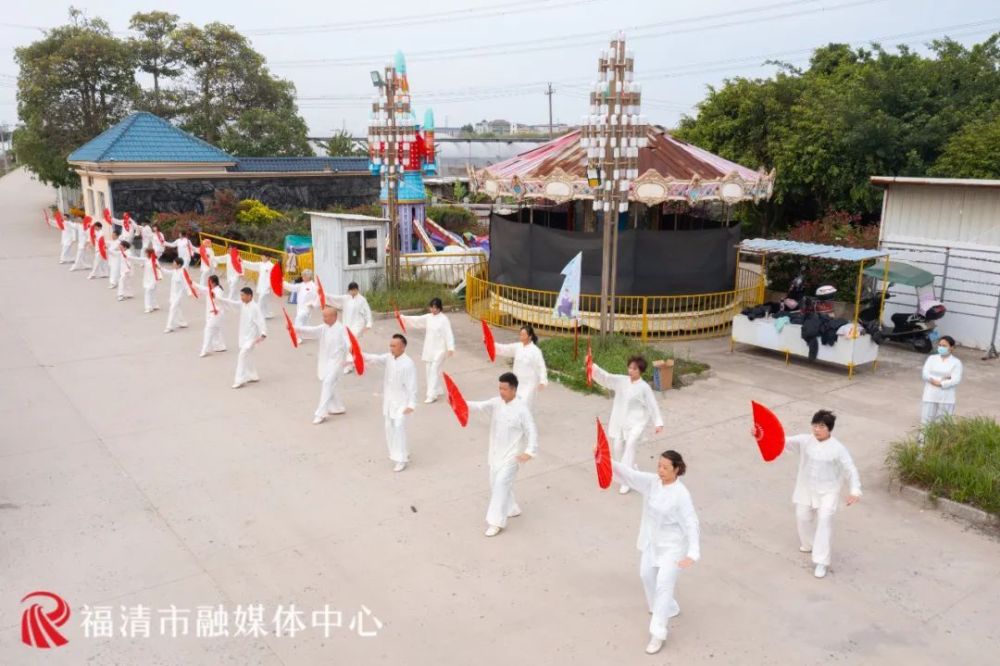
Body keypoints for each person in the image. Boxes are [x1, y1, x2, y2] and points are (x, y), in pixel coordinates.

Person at [610, 450, 699, 655]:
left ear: (676, 470)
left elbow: (691, 523)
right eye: (659, 465)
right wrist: (605, 460)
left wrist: (692, 553)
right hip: (652, 542)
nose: (660, 470)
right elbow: (629, 475)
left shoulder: (681, 495)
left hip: (673, 547)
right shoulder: (652, 482)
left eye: (665, 468)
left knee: (663, 586)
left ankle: (658, 633)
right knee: (646, 575)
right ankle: (669, 607)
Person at [782, 410, 862, 580]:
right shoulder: (805, 440)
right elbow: (782, 440)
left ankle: (821, 562)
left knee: (824, 520)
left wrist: (855, 490)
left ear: (829, 429)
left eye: (821, 426)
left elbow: (850, 469)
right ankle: (809, 543)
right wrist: (760, 435)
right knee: (802, 516)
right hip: (806, 488)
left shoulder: (838, 449)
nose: (817, 429)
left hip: (828, 491)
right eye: (815, 425)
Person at [467, 372, 538, 537]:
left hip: (512, 457)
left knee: (500, 484)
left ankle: (495, 522)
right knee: (495, 483)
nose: (501, 392)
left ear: (513, 389)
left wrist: (529, 452)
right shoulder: (497, 402)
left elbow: (532, 430)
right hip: (495, 454)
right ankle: (511, 508)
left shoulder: (522, 410)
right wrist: (459, 402)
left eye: (504, 389)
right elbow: (479, 406)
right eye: (499, 388)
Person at [591, 356, 664, 495]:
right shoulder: (622, 381)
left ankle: (626, 481)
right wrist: (592, 366)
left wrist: (658, 422)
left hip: (637, 422)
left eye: (634, 368)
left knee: (630, 445)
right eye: (629, 367)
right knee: (617, 448)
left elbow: (652, 405)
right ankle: (630, 469)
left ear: (640, 370)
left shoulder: (644, 387)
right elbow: (607, 378)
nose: (631, 370)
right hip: (621, 421)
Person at [362, 334, 418, 472]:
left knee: (398, 428)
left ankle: (401, 459)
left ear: (403, 347)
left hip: (402, 403)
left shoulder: (408, 364)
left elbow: (412, 386)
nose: (391, 348)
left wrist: (411, 404)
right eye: (390, 345)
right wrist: (358, 352)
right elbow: (374, 358)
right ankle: (400, 452)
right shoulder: (389, 358)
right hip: (389, 402)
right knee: (389, 428)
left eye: (394, 346)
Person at [295, 306, 351, 424]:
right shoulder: (324, 327)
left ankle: (321, 413)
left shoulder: (342, 329)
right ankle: (338, 407)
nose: (323, 318)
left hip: (337, 361)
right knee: (329, 382)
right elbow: (311, 330)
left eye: (326, 316)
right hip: (326, 361)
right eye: (323, 316)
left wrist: (350, 356)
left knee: (327, 383)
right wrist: (293, 328)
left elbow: (349, 344)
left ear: (334, 317)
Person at [400, 297, 455, 403]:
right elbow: (417, 320)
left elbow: (449, 333)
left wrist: (450, 347)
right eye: (431, 307)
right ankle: (438, 389)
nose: (433, 310)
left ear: (439, 308)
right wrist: (402, 317)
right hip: (430, 348)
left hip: (440, 349)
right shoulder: (428, 317)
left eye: (435, 308)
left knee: (434, 369)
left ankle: (431, 395)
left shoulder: (444, 319)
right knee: (429, 369)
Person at [220, 287, 267, 389]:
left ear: (249, 296)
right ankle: (253, 375)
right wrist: (220, 299)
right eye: (240, 295)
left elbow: (261, 320)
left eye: (242, 295)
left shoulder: (255, 307)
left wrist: (263, 333)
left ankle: (239, 379)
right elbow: (232, 303)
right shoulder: (243, 304)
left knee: (242, 355)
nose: (241, 297)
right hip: (243, 335)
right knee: (248, 355)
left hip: (251, 338)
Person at [494, 324, 548, 412]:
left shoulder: (535, 351)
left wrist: (543, 381)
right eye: (520, 334)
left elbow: (541, 366)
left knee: (524, 406)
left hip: (529, 385)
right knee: (513, 404)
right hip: (517, 383)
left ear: (530, 336)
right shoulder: (518, 346)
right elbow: (505, 349)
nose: (521, 336)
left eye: (523, 335)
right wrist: (491, 344)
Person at [331, 281, 374, 374]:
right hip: (347, 324)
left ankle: (349, 364)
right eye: (351, 290)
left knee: (351, 341)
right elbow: (333, 298)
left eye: (355, 290)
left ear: (357, 290)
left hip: (358, 324)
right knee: (348, 343)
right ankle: (356, 359)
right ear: (348, 290)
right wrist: (322, 294)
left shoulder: (362, 300)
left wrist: (368, 324)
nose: (353, 292)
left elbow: (368, 312)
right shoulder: (345, 298)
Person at [920, 335, 962, 429]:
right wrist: (933, 380)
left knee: (942, 424)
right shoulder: (932, 359)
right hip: (930, 394)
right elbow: (925, 373)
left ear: (951, 348)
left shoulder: (956, 362)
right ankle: (923, 442)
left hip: (946, 397)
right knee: (926, 422)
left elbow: (955, 379)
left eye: (944, 346)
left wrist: (941, 383)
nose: (941, 348)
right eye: (940, 345)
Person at [194, 275, 227, 357]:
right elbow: (202, 288)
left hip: (216, 314)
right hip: (212, 314)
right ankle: (220, 346)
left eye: (209, 281)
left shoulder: (218, 291)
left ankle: (205, 350)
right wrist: (192, 283)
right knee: (216, 330)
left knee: (208, 330)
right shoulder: (210, 289)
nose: (207, 283)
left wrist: (214, 297)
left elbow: (219, 299)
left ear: (213, 282)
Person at [161, 257, 192, 333]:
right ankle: (182, 322)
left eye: (174, 263)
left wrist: (189, 292)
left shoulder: (182, 272)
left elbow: (186, 283)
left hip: (179, 295)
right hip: (172, 294)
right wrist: (160, 268)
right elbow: (167, 272)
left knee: (172, 309)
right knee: (177, 309)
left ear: (179, 265)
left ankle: (169, 326)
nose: (173, 264)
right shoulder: (175, 271)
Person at [135, 247, 162, 313]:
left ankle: (148, 307)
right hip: (147, 278)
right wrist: (128, 257)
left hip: (153, 279)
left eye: (146, 253)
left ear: (149, 253)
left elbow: (159, 269)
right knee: (152, 292)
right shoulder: (146, 260)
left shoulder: (155, 260)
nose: (145, 254)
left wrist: (160, 276)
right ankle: (154, 305)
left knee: (148, 292)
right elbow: (137, 259)